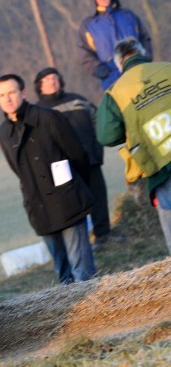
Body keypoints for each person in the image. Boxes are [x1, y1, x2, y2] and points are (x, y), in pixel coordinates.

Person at [0, 74, 96, 284]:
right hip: (39, 206)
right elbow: (18, 170)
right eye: (2, 95)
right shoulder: (3, 132)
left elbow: (77, 154)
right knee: (63, 274)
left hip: (67, 201)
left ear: (23, 93)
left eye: (12, 92)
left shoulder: (48, 118)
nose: (8, 99)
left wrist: (73, 187)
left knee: (82, 271)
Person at [96, 38, 171, 255]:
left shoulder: (115, 92)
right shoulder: (167, 68)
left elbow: (107, 135)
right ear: (143, 52)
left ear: (119, 65)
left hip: (160, 167)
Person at [33, 67, 112, 245]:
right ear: (39, 86)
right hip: (64, 168)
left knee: (98, 197)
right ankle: (81, 242)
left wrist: (97, 149)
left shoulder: (78, 100)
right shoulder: (38, 111)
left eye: (54, 78)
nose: (52, 82)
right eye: (46, 80)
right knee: (74, 205)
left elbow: (97, 120)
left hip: (90, 159)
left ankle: (104, 235)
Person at [77, 0, 153, 92]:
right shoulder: (88, 25)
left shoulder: (127, 15)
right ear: (94, 0)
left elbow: (144, 37)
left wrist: (147, 56)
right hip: (110, 72)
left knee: (146, 96)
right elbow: (84, 52)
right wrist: (98, 69)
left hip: (136, 62)